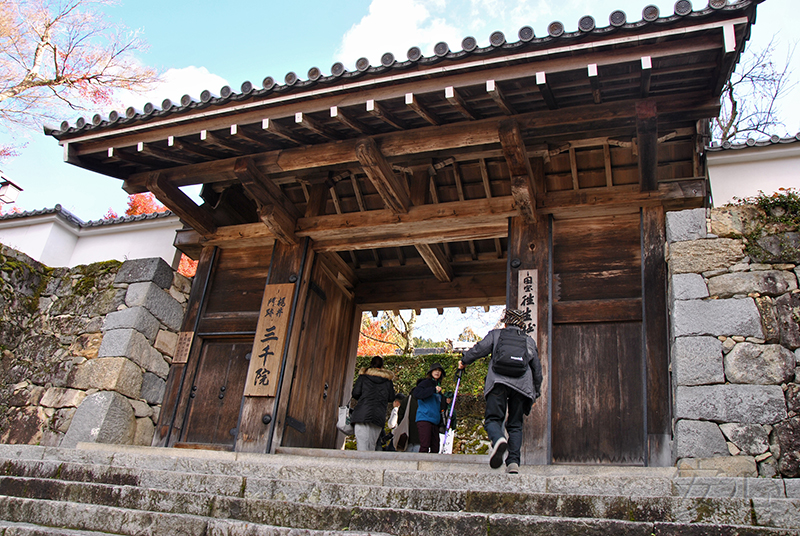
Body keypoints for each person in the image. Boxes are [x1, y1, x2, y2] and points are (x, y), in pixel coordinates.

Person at [458, 309, 543, 474]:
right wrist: (536, 392)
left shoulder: (496, 335)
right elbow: (537, 371)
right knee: (516, 424)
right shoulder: (529, 341)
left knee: (493, 419)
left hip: (498, 382)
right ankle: (513, 463)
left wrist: (464, 361)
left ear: (506, 322)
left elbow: (479, 349)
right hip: (522, 387)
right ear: (521, 324)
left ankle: (498, 440)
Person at [350, 355, 395, 451]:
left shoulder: (363, 377)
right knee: (372, 444)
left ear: (371, 364)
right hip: (378, 415)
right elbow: (391, 398)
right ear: (382, 366)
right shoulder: (387, 381)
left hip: (362, 413)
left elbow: (355, 393)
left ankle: (361, 464)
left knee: (361, 444)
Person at [411, 362, 447, 453]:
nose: (437, 372)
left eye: (439, 371)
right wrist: (433, 390)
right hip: (424, 418)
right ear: (431, 372)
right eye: (435, 370)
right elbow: (417, 393)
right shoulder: (425, 383)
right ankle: (420, 465)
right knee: (425, 445)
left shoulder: (438, 387)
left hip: (435, 421)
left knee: (435, 447)